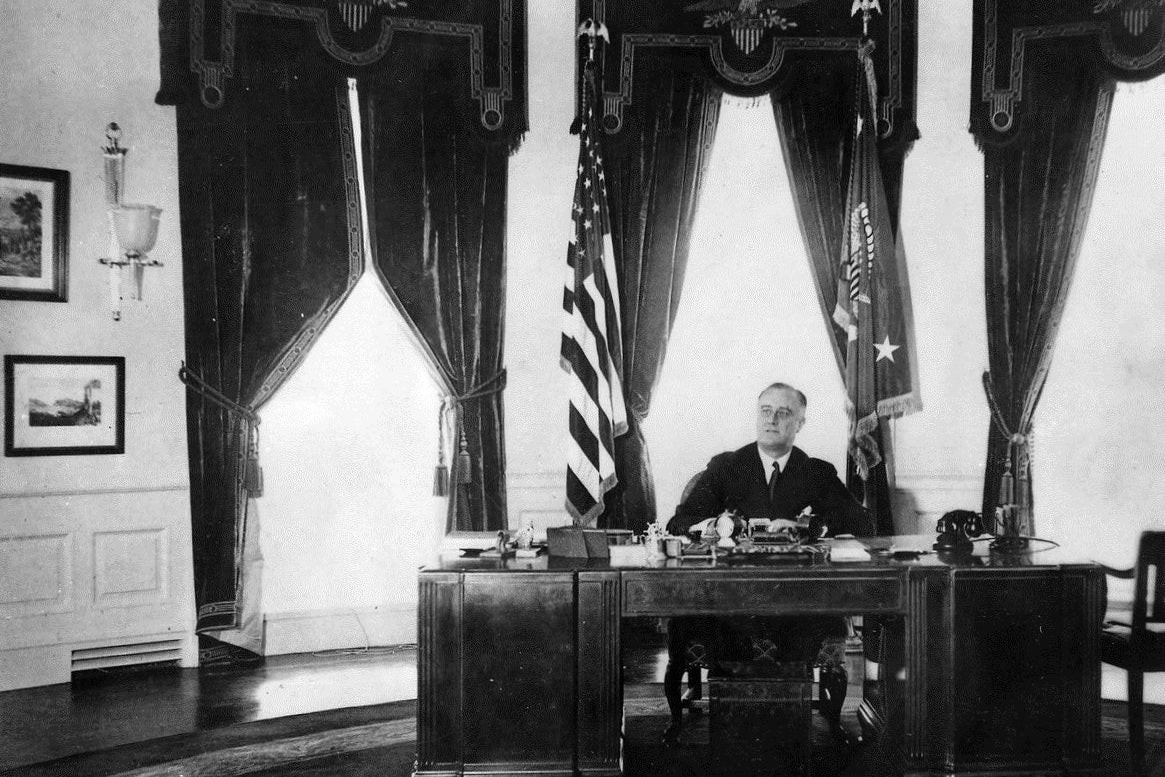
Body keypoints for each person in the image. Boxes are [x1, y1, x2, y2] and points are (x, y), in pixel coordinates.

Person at [662, 382, 873, 744]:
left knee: (805, 636)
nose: (771, 420)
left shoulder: (816, 472)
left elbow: (863, 522)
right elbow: (678, 523)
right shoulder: (727, 466)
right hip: (729, 603)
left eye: (783, 413)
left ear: (800, 423)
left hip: (797, 604)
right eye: (765, 411)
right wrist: (714, 525)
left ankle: (787, 736)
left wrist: (812, 525)